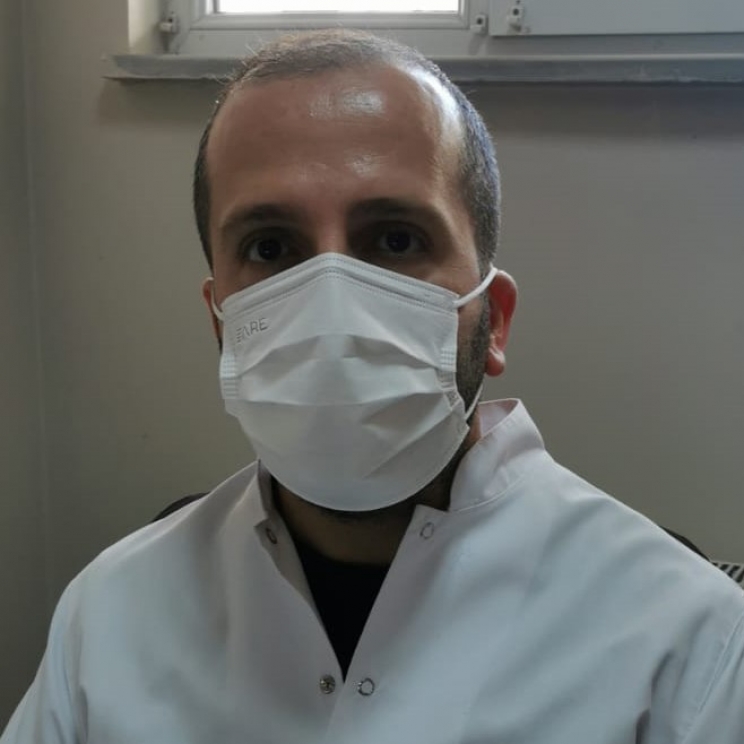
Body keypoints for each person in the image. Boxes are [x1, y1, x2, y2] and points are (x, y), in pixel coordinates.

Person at [3, 29, 743, 744]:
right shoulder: (110, 616)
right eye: (271, 247)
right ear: (221, 324)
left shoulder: (684, 642)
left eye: (395, 240)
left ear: (494, 319)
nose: (333, 305)